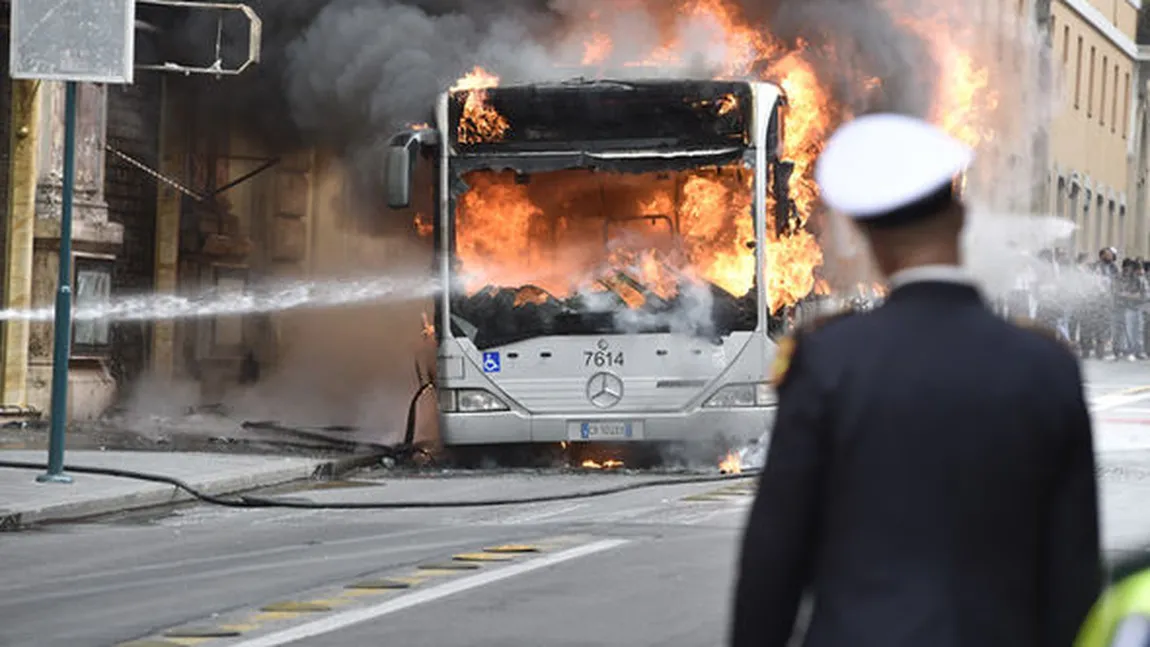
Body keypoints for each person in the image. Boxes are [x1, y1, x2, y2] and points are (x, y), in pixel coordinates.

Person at [729, 113, 1102, 647]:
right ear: (960, 217)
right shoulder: (1045, 365)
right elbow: (1074, 566)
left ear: (866, 234)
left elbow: (776, 551)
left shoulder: (828, 359)